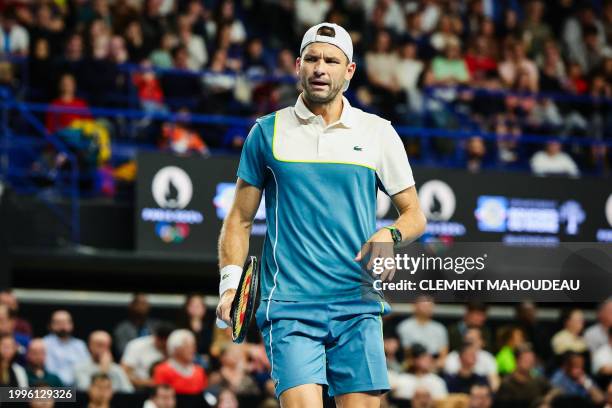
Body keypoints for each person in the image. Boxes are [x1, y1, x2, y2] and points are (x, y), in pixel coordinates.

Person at [216, 22, 426, 408]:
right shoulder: (267, 132)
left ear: (349, 71)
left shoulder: (378, 132)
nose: (320, 68)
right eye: (312, 58)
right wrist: (230, 285)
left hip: (357, 305)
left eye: (331, 60)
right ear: (298, 65)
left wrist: (389, 236)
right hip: (290, 307)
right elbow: (239, 219)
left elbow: (414, 214)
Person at [396, 295, 448, 367]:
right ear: (415, 306)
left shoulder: (440, 328)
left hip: (434, 368)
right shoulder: (404, 326)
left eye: (429, 306)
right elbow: (406, 355)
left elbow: (443, 356)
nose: (426, 308)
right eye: (423, 305)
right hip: (412, 367)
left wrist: (431, 366)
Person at [152, 329, 207, 395]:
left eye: (193, 345)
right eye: (187, 346)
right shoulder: (162, 370)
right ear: (176, 348)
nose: (193, 349)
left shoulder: (200, 371)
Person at [43, 310, 89, 386]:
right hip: (53, 387)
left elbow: (85, 368)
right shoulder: (44, 343)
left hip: (77, 389)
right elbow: (48, 370)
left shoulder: (80, 345)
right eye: (58, 323)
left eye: (65, 322)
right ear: (51, 325)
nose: (62, 326)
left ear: (71, 324)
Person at [121, 322, 172, 389]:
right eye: (163, 344)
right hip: (139, 389)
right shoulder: (136, 345)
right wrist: (146, 383)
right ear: (156, 337)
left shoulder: (174, 348)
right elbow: (124, 372)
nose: (165, 347)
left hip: (167, 389)